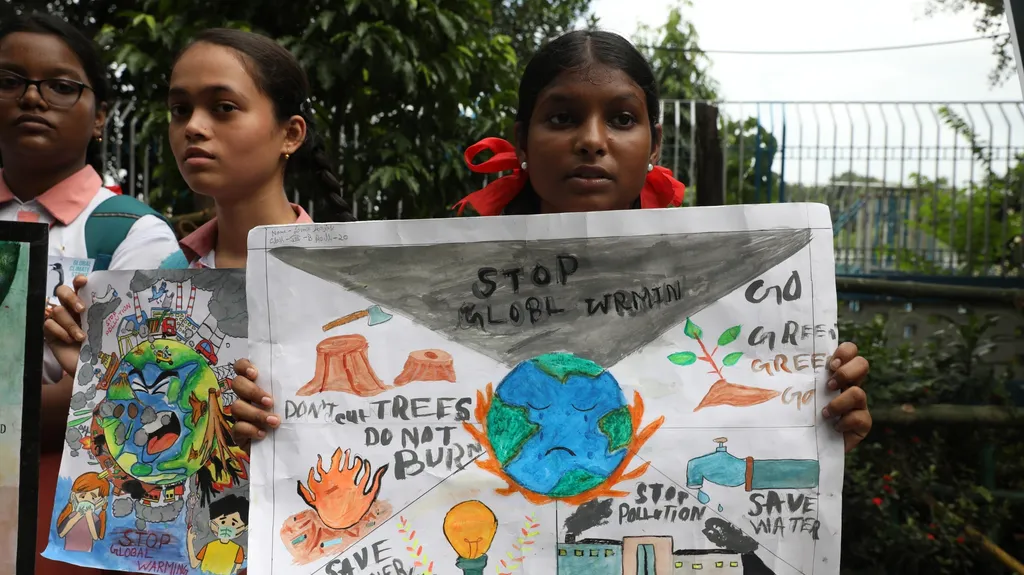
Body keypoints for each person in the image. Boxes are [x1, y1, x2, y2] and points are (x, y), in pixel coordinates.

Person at [228, 30, 872, 453]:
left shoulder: (732, 288)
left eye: (622, 119)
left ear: (654, 145)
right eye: (562, 118)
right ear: (523, 141)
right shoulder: (439, 274)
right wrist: (273, 417)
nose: (592, 139)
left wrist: (818, 415)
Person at [0, 14, 180, 575]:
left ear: (99, 115)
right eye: (9, 81)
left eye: (60, 86)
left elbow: (126, 399)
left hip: (60, 504)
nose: (33, 98)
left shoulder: (132, 232)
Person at [187, 494, 248, 575]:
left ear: (245, 527)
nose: (226, 527)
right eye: (222, 522)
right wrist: (189, 540)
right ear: (211, 523)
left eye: (233, 523)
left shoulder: (238, 550)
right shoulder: (209, 546)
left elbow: (236, 570)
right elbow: (194, 564)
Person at [55, 473, 109, 553]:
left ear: (101, 501)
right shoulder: (71, 515)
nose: (86, 500)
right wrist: (77, 516)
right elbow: (61, 534)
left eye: (93, 498)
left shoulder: (95, 519)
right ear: (74, 496)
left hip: (87, 553)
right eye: (82, 496)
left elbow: (95, 537)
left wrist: (89, 517)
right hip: (68, 551)